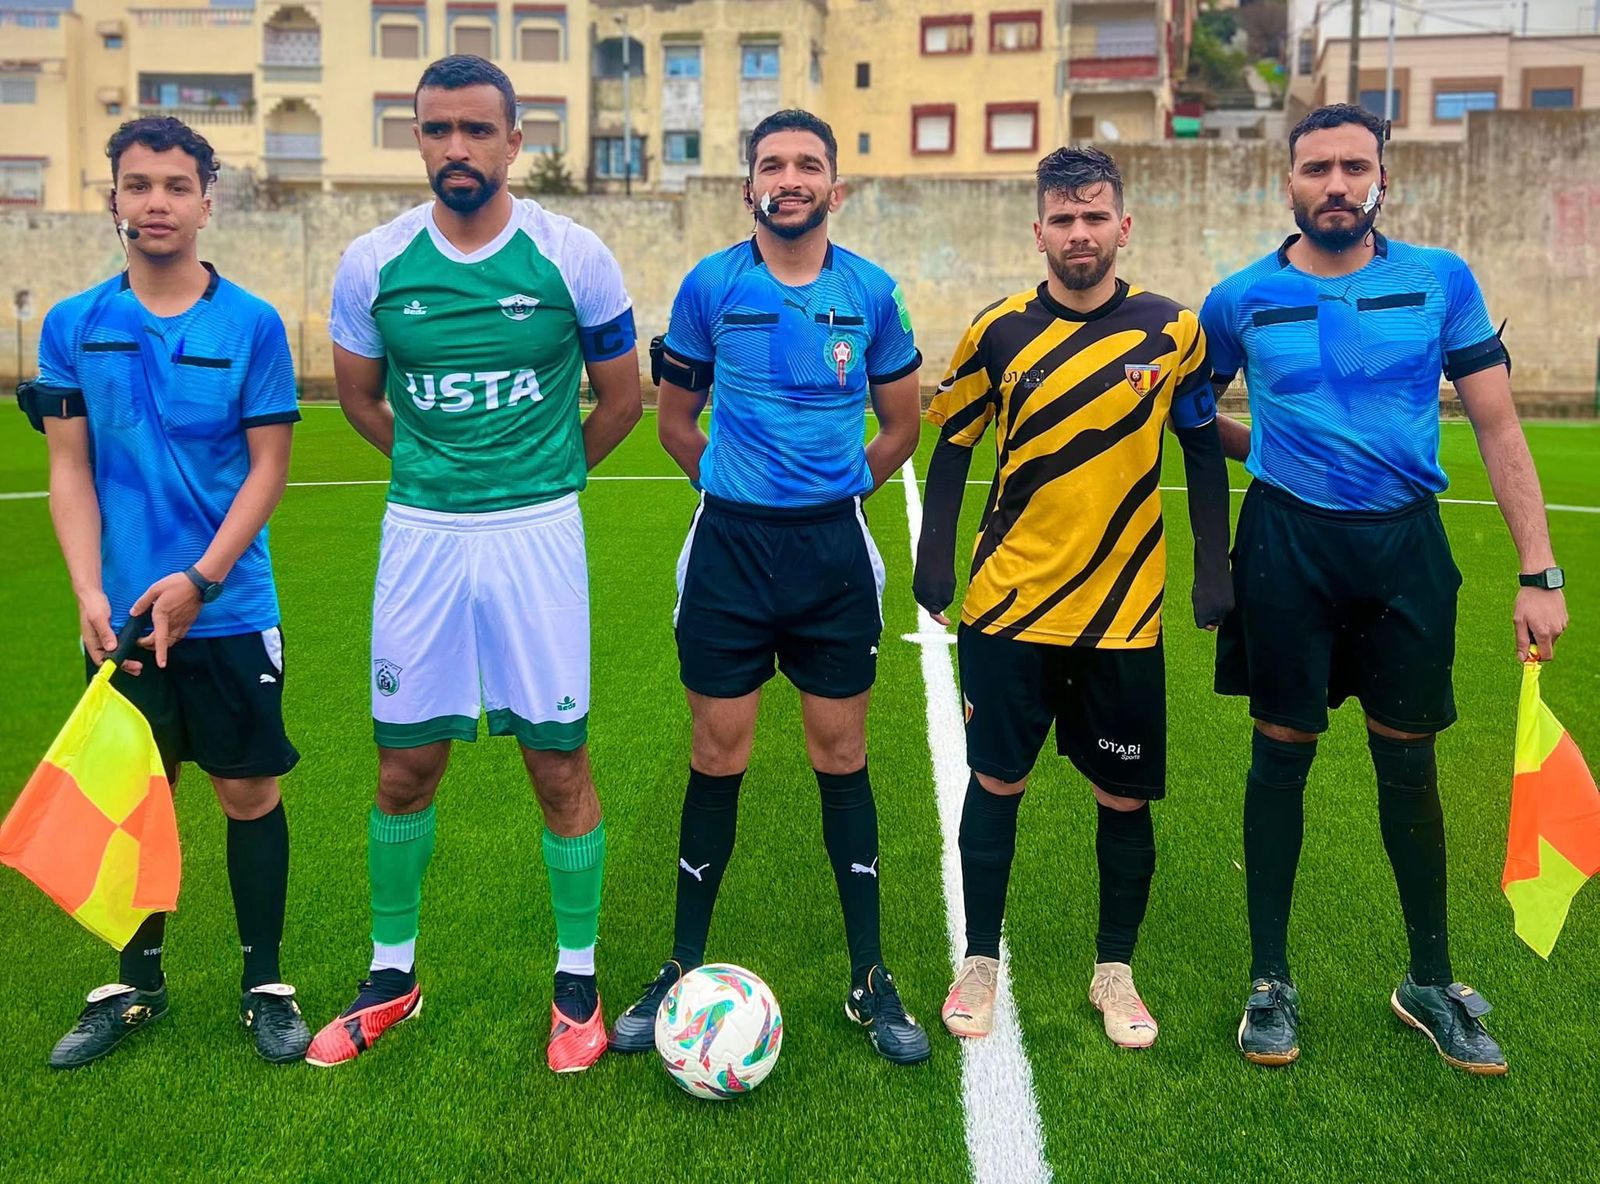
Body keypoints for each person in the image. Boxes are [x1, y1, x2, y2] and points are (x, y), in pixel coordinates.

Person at [1201, 103, 1568, 1075]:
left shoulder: (1440, 280)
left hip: (1404, 547)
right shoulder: (1237, 299)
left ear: (1381, 180)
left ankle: (1429, 981)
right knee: (1279, 753)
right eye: (1317, 167)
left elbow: (1497, 424)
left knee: (1409, 763)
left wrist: (1539, 572)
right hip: (1284, 545)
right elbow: (1191, 413)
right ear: (1287, 182)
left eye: (1353, 167)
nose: (1336, 184)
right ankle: (1269, 981)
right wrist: (1271, 448)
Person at [307, 56, 642, 1073]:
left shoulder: (573, 255)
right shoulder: (373, 263)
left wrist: (542, 480)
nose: (457, 147)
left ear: (514, 141)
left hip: (538, 536)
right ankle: (390, 976)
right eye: (438, 128)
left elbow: (620, 400)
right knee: (405, 766)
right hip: (422, 537)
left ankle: (576, 981)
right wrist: (437, 470)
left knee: (557, 761)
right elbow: (361, 398)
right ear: (418, 137)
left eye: (477, 129)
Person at [607, 109, 930, 1065]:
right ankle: (680, 963)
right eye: (773, 164)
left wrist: (837, 497)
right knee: (717, 751)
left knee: (842, 752)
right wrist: (734, 491)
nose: (790, 179)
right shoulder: (710, 285)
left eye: (808, 165)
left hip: (832, 555)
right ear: (749, 184)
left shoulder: (871, 292)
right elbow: (676, 423)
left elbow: (901, 426)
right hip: (730, 552)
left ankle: (869, 977)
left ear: (836, 187)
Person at [912, 146, 1232, 1050]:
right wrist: (936, 560)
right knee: (996, 780)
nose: (1079, 233)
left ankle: (1114, 971)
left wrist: (1214, 567)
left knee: (1123, 797)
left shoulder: (1174, 331)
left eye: (1095, 217)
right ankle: (980, 961)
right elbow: (953, 446)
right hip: (1010, 605)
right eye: (1064, 218)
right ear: (1040, 229)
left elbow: (1202, 446)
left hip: (1125, 613)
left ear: (1122, 226)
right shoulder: (997, 331)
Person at [19, 117, 308, 1068]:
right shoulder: (72, 325)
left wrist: (200, 580)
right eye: (138, 185)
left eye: (176, 186)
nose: (156, 203)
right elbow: (70, 469)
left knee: (247, 790)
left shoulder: (251, 324)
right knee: (135, 795)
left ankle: (265, 984)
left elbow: (269, 470)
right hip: (123, 621)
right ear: (113, 199)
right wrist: (88, 591)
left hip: (228, 608)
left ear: (205, 202)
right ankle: (136, 982)